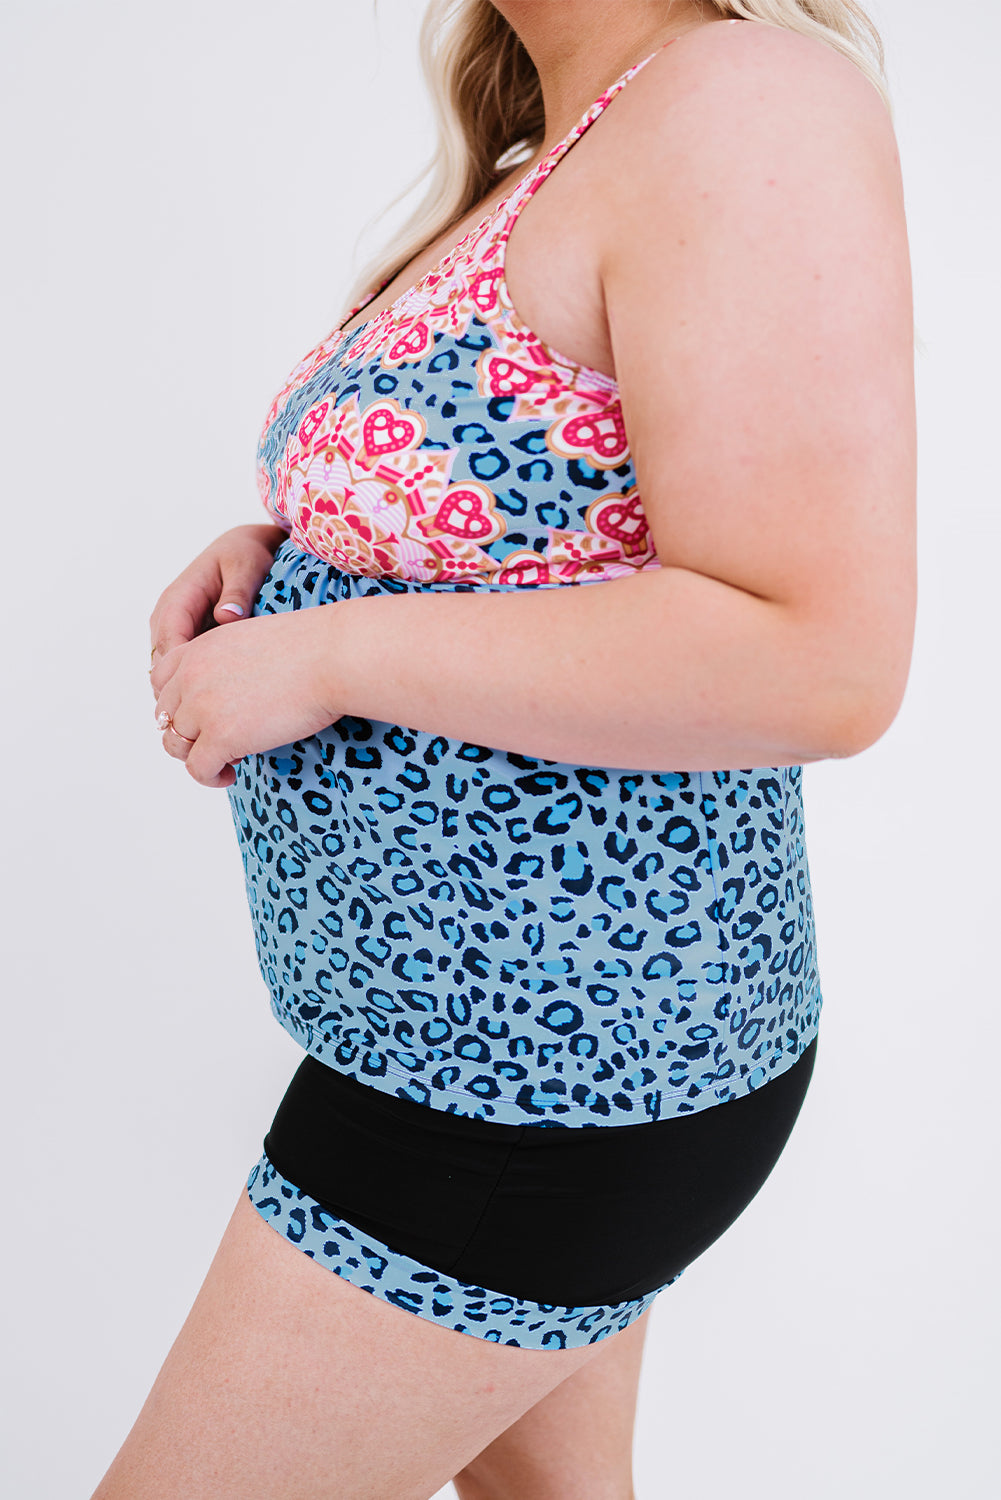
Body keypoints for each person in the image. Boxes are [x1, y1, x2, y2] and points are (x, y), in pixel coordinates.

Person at [98, 1, 916, 1495]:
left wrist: (324, 654)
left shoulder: (743, 100)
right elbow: (548, 522)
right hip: (449, 1048)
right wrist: (297, 555)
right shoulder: (566, 135)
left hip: (542, 1078)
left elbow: (820, 654)